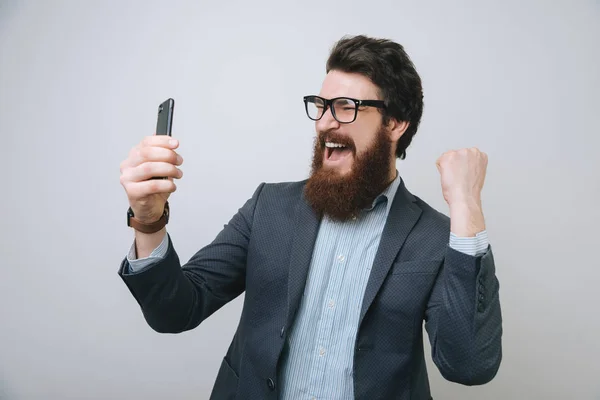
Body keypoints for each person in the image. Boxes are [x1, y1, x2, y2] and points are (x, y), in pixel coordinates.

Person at [118, 34, 502, 400]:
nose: (324, 123)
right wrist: (149, 220)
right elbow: (176, 310)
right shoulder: (269, 207)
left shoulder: (434, 235)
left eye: (346, 107)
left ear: (395, 123)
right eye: (321, 105)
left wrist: (466, 205)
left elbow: (468, 365)